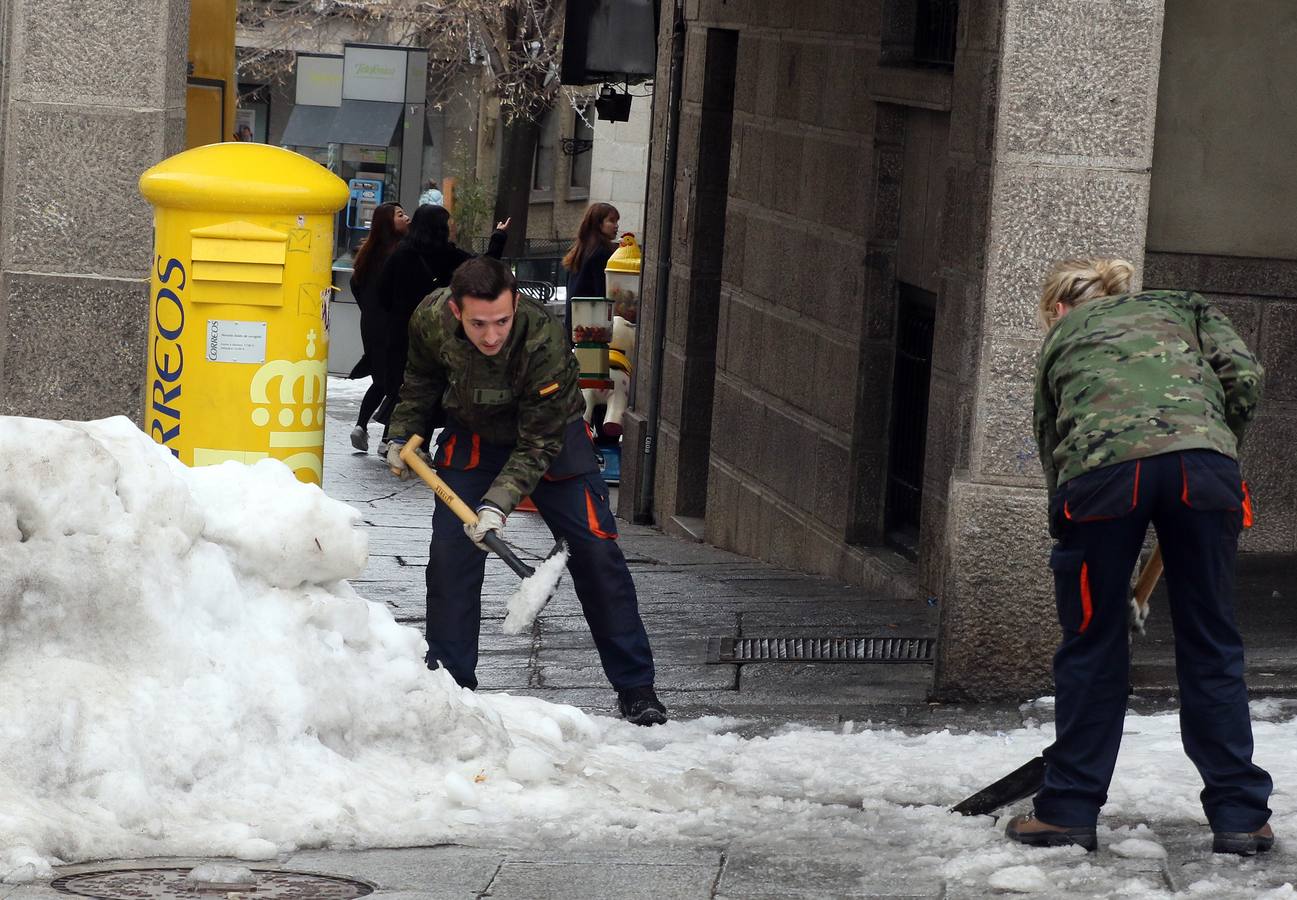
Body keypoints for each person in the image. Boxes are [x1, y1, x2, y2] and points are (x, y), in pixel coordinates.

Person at [1007, 258, 1273, 855]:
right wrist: (1214, 441)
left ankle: (1068, 810)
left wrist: (1075, 550)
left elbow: (1052, 441)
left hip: (1102, 479)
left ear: (1058, 307)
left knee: (1092, 642)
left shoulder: (1063, 339)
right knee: (1211, 641)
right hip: (1204, 469)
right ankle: (1240, 817)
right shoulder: (1183, 305)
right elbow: (1245, 376)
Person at [384, 255, 667, 726]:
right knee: (452, 560)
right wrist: (402, 434)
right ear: (456, 312)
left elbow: (538, 441)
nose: (491, 335)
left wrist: (497, 505)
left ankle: (636, 687)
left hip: (551, 441)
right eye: (478, 323)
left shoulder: (541, 339)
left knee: (598, 556)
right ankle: (453, 687)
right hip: (474, 439)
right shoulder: (430, 319)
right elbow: (421, 379)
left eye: (501, 320)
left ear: (515, 304)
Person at [373, 205, 509, 456]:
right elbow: (484, 269)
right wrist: (499, 237)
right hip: (437, 334)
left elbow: (382, 294)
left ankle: (398, 440)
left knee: (408, 387)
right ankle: (418, 446)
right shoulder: (449, 255)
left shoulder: (401, 254)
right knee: (432, 387)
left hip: (401, 334)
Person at [347, 201, 409, 452]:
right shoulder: (399, 254)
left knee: (381, 380)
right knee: (399, 383)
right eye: (400, 215)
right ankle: (386, 439)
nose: (407, 218)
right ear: (387, 222)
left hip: (371, 326)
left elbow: (356, 286)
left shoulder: (367, 255)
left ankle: (360, 426)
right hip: (392, 327)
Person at [562, 202, 620, 331]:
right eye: (611, 221)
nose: (616, 226)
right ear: (598, 224)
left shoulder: (579, 250)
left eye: (617, 221)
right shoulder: (602, 253)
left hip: (576, 323)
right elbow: (603, 293)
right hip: (593, 326)